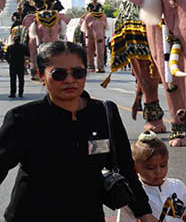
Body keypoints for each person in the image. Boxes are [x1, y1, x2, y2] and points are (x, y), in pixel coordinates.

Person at [0, 41, 157, 222]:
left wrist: (144, 213)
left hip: (87, 214)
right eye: (58, 74)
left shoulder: (105, 113)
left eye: (78, 72)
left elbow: (126, 169)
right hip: (32, 214)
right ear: (40, 75)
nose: (69, 80)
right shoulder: (23, 118)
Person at [118, 131, 186, 222]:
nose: (158, 172)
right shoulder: (131, 194)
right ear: (136, 168)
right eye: (151, 168)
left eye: (163, 165)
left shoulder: (177, 186)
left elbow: (183, 216)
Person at [6, 32, 28, 98]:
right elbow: (28, 54)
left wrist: (9, 61)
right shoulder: (23, 47)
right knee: (21, 79)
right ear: (19, 40)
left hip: (12, 65)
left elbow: (6, 56)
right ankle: (20, 93)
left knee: (13, 80)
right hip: (21, 65)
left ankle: (13, 93)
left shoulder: (10, 47)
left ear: (13, 40)